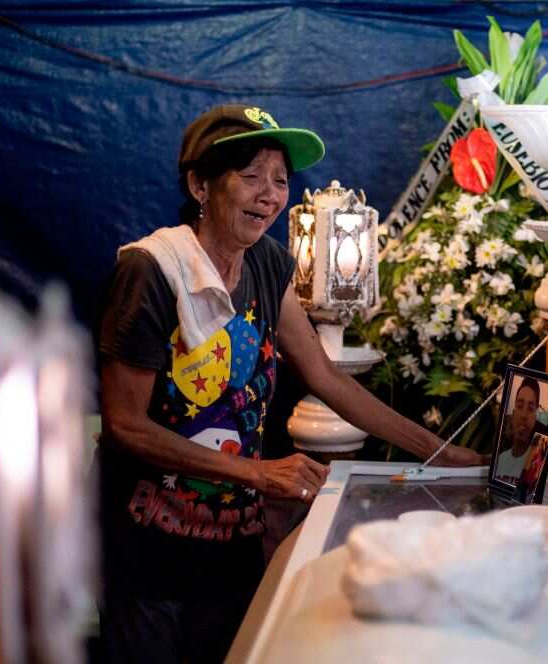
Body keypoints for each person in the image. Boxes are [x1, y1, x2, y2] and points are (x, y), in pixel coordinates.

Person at [96, 104, 484, 663]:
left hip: (230, 546)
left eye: (279, 180)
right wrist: (258, 472)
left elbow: (324, 374)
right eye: (250, 176)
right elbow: (126, 426)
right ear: (200, 185)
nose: (269, 195)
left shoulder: (268, 264)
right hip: (148, 551)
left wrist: (438, 452)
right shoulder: (150, 272)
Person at [493, 376, 547, 485]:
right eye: (519, 405)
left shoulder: (537, 464)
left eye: (531, 408)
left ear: (536, 417)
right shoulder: (501, 459)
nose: (523, 415)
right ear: (513, 414)